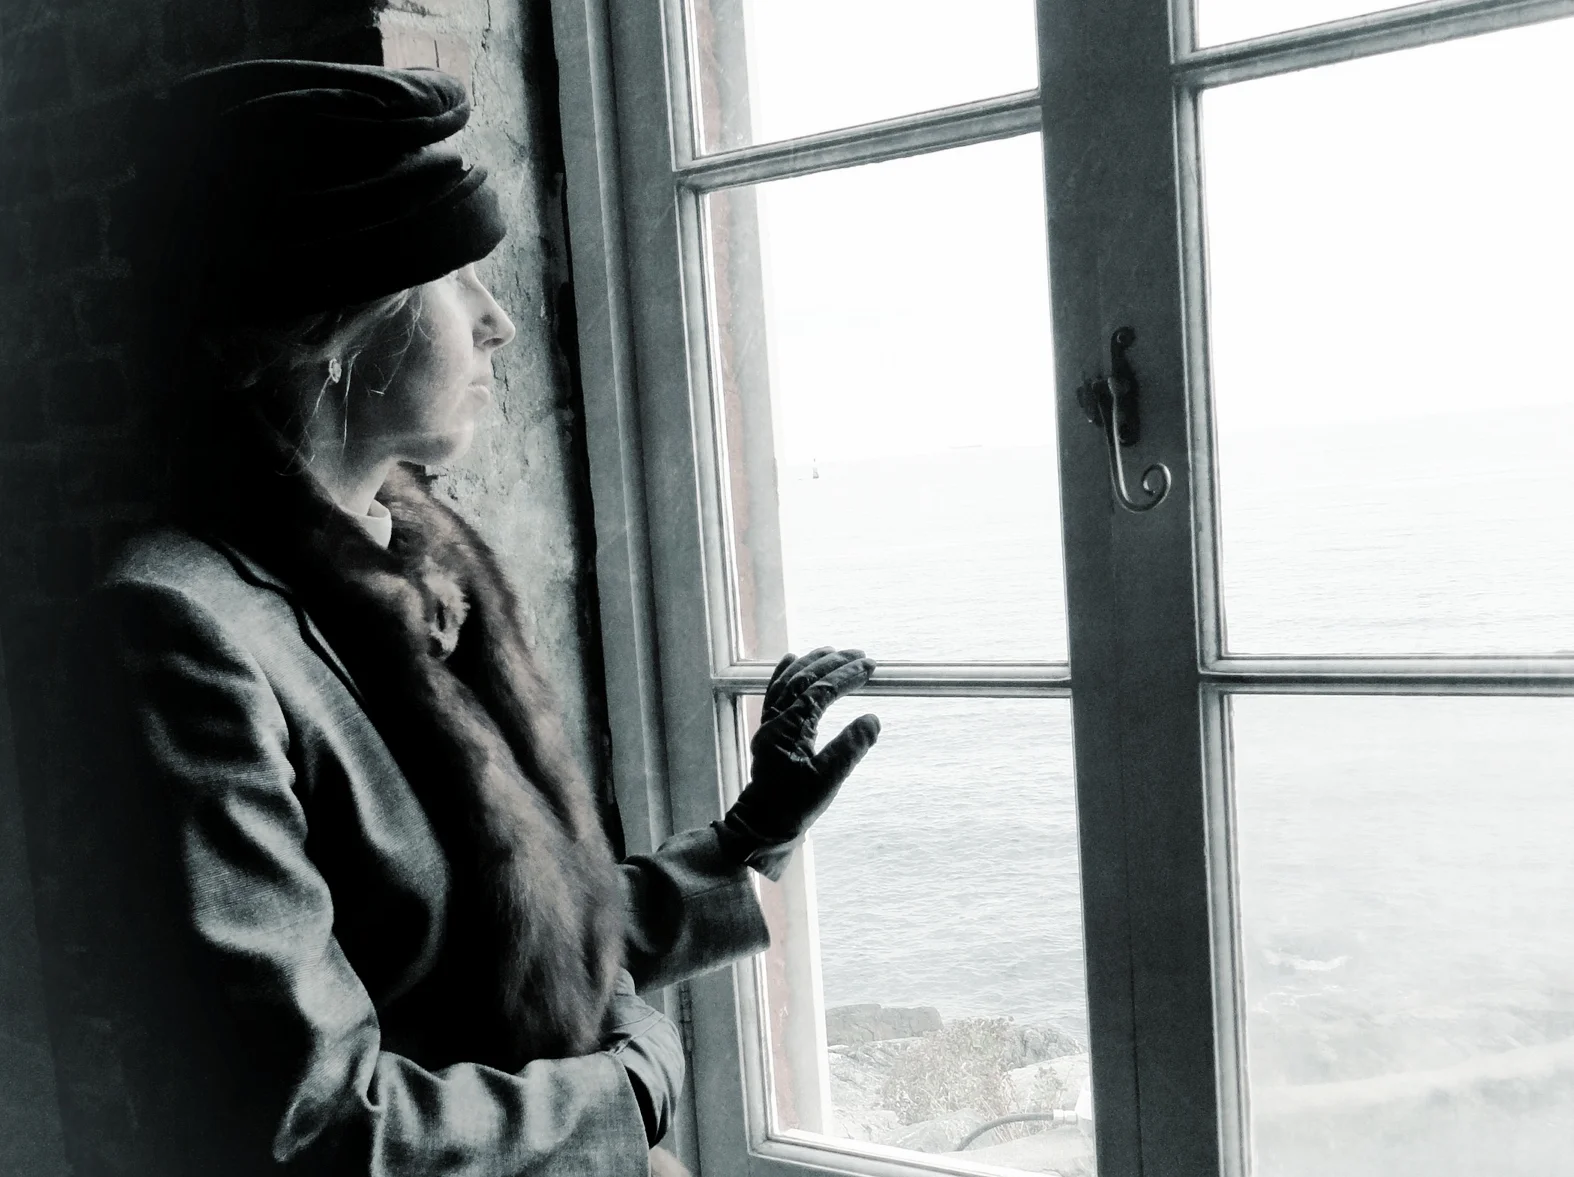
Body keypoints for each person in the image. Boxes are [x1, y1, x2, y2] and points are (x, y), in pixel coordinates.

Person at [56, 59, 881, 1177]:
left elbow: (509, 954)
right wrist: (629, 1089)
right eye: (457, 280)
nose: (497, 323)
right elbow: (315, 1126)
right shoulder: (180, 627)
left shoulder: (426, 557)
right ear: (338, 331)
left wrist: (748, 838)